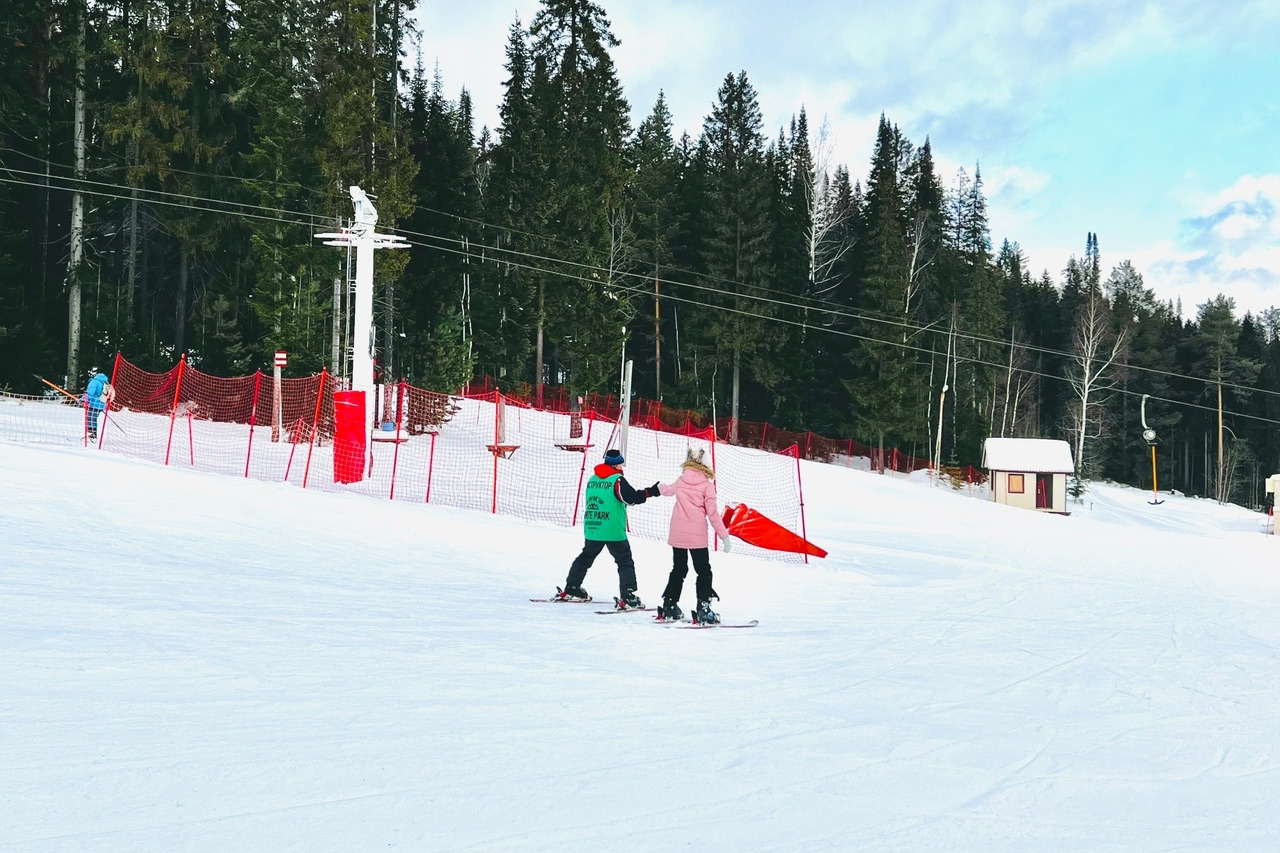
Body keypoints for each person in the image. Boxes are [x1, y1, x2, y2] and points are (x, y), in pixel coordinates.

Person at [557, 448, 652, 608]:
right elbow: (630, 498)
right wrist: (649, 493)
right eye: (621, 464)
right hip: (612, 529)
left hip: (593, 526)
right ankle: (628, 596)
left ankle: (572, 587)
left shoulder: (593, 478)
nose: (622, 467)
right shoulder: (617, 480)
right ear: (616, 465)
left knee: (585, 558)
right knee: (624, 561)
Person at [654, 448, 733, 624]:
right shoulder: (707, 486)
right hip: (697, 536)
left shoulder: (681, 480)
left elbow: (667, 490)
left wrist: (658, 488)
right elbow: (713, 514)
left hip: (677, 532)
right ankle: (703, 607)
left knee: (679, 568)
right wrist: (724, 536)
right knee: (703, 570)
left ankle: (669, 604)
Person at [82, 369, 111, 440]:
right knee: (93, 418)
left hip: (94, 404)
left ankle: (92, 435)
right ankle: (92, 434)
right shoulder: (105, 382)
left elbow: (90, 393)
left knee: (90, 418)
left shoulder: (94, 382)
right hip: (101, 404)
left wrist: (83, 399)